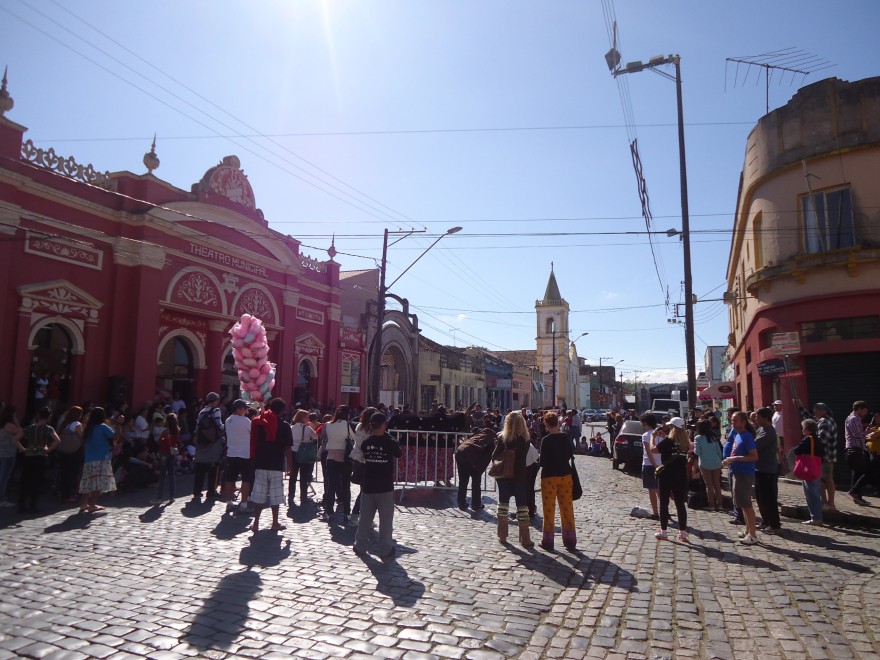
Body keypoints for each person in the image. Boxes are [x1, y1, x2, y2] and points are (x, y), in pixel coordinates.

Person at [353, 412, 402, 558]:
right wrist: (388, 436)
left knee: (365, 519)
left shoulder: (366, 442)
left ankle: (360, 545)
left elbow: (364, 454)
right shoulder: (389, 441)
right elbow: (398, 453)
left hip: (368, 484)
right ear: (384, 425)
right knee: (386, 520)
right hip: (384, 486)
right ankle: (385, 548)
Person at [250, 398, 293, 533]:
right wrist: (290, 464)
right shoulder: (285, 426)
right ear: (282, 410)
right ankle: (274, 522)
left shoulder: (260, 422)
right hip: (276, 463)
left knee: (258, 494)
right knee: (275, 495)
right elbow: (287, 448)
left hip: (260, 461)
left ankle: (256, 522)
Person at [491, 411, 533, 548]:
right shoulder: (525, 439)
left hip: (504, 476)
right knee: (522, 507)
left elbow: (494, 455)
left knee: (503, 505)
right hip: (520, 475)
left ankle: (502, 535)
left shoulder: (503, 438)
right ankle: (525, 538)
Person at [539, 412, 577, 552]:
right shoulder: (565, 437)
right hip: (566, 475)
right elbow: (569, 455)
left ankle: (548, 541)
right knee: (567, 508)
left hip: (549, 477)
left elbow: (542, 462)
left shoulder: (546, 440)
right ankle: (570, 540)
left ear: (547, 424)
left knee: (549, 509)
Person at [722, 411, 759, 545]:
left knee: (746, 504)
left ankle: (753, 535)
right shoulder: (737, 434)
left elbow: (754, 456)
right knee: (742, 504)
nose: (733, 423)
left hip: (744, 474)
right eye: (732, 420)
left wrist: (735, 458)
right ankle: (748, 530)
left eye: (735, 420)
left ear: (743, 422)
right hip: (736, 471)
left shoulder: (747, 436)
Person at [651, 417, 690, 543]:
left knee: (664, 503)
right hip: (681, 476)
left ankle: (663, 531)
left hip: (667, 475)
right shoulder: (685, 442)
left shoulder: (669, 440)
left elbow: (654, 450)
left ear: (673, 428)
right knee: (680, 504)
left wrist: (653, 438)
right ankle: (683, 533)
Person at [18, 406, 61, 513]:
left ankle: (21, 505)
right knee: (36, 481)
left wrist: (23, 449)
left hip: (29, 456)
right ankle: (32, 505)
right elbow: (57, 441)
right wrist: (49, 449)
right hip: (41, 456)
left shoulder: (30, 428)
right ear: (49, 417)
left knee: (26, 481)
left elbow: (15, 438)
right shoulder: (48, 429)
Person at [78, 407, 119, 514]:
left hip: (88, 459)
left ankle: (84, 504)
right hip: (101, 458)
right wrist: (120, 424)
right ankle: (92, 505)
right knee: (98, 483)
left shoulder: (88, 428)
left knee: (87, 481)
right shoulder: (103, 427)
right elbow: (115, 437)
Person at [321, 405, 355, 524]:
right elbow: (354, 438)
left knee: (331, 486)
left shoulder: (328, 425)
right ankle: (347, 512)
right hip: (345, 457)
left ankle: (329, 512)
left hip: (331, 456)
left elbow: (324, 437)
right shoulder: (347, 425)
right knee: (346, 486)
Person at [192, 392, 225, 501]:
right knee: (214, 468)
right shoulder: (215, 410)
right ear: (215, 401)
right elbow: (219, 425)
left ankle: (197, 492)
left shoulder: (202, 411)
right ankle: (211, 491)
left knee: (200, 468)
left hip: (202, 442)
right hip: (213, 442)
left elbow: (197, 426)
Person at [222, 399, 253, 511]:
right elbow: (253, 433)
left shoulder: (228, 420)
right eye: (244, 408)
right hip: (245, 454)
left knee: (229, 479)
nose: (246, 411)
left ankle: (229, 503)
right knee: (246, 480)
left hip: (231, 453)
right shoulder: (245, 421)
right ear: (238, 409)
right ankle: (244, 504)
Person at [454, 428, 495, 511]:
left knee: (463, 480)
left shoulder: (478, 434)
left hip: (460, 451)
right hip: (469, 457)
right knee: (476, 481)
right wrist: (478, 471)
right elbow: (486, 459)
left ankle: (461, 503)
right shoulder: (491, 442)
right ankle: (476, 504)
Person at [754, 407, 781, 532]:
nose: (756, 419)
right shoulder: (760, 429)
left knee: (769, 499)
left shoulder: (769, 432)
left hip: (767, 470)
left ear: (766, 418)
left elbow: (755, 445)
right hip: (759, 468)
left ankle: (774, 524)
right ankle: (765, 521)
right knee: (760, 498)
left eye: (759, 417)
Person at [794, 419, 825, 525]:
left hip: (809, 469)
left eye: (803, 427)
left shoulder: (808, 439)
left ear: (807, 428)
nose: (802, 429)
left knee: (811, 494)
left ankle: (815, 518)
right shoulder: (817, 439)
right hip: (816, 468)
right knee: (816, 492)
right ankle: (818, 517)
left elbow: (796, 451)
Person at [56, 406, 85, 503]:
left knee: (64, 473)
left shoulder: (65, 423)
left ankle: (63, 493)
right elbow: (82, 436)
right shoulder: (77, 424)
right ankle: (67, 495)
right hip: (74, 452)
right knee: (72, 474)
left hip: (64, 451)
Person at [290, 409, 318, 507]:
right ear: (303, 418)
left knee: (293, 476)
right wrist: (312, 427)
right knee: (304, 477)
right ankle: (303, 496)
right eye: (307, 417)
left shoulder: (292, 427)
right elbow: (315, 437)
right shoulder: (307, 428)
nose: (308, 419)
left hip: (293, 452)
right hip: (304, 452)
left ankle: (291, 495)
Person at [693, 418, 723, 512]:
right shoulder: (714, 436)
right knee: (717, 484)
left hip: (705, 463)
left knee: (709, 485)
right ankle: (720, 505)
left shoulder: (698, 438)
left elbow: (697, 452)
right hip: (716, 462)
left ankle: (712, 505)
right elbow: (719, 450)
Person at [844, 400, 870, 505]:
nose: (866, 413)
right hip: (854, 450)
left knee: (857, 474)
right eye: (864, 410)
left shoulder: (856, 419)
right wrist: (869, 432)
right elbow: (857, 434)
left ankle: (857, 497)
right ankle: (854, 491)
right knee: (867, 472)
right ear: (859, 409)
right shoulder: (853, 419)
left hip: (856, 450)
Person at [152, 412, 181, 504]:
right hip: (172, 453)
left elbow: (159, 441)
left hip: (164, 452)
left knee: (162, 476)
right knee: (172, 475)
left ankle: (159, 498)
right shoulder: (177, 431)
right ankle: (171, 496)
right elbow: (177, 442)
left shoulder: (165, 431)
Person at [0, 405, 24, 507]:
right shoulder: (9, 424)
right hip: (7, 453)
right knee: (4, 477)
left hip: (2, 452)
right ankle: (1, 499)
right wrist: (16, 421)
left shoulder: (2, 423)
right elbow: (22, 432)